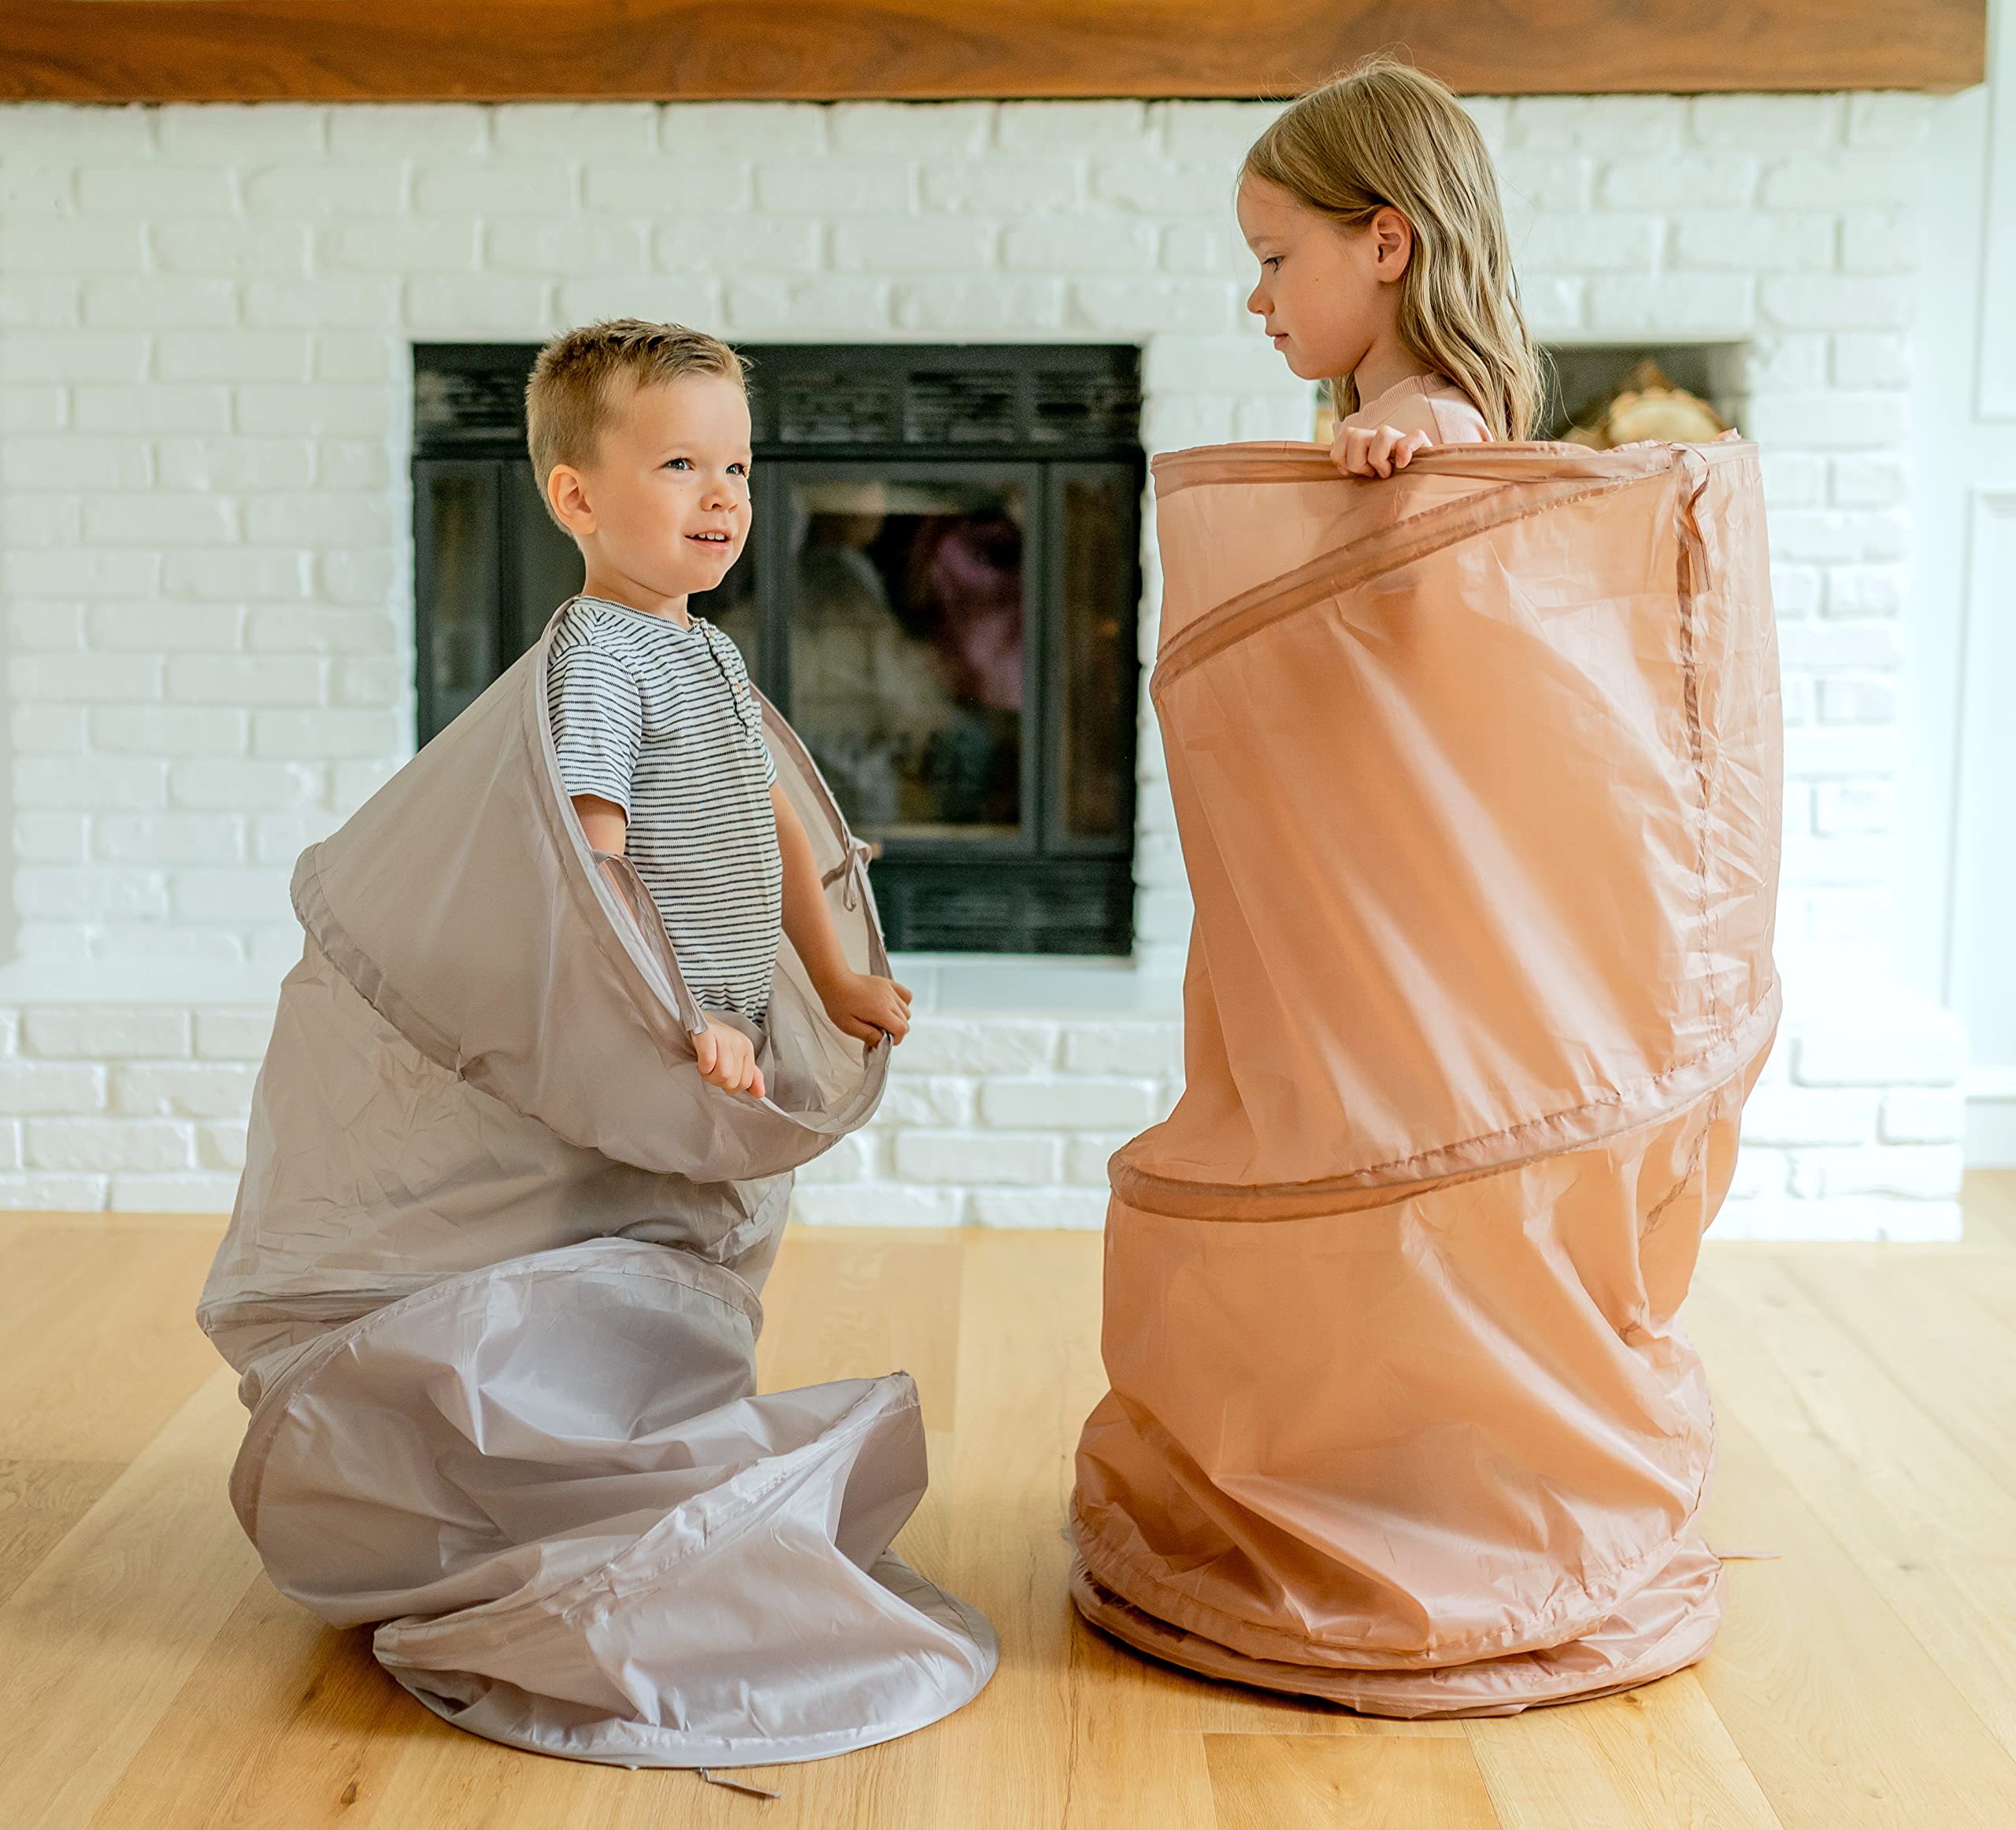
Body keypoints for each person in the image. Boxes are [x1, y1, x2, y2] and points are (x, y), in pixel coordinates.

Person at [529, 320, 914, 1095]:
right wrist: (675, 1013)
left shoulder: (709, 647)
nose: (723, 494)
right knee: (656, 1211)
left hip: (725, 1019)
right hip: (651, 1026)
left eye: (737, 467)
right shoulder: (601, 655)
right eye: (680, 463)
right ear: (578, 498)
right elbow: (592, 868)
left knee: (728, 1208)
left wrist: (832, 977)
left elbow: (771, 819)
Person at [1235, 55, 1543, 473]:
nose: (1257, 300)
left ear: (1385, 247)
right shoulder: (1387, 432)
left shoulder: (1432, 432)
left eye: (1274, 259)